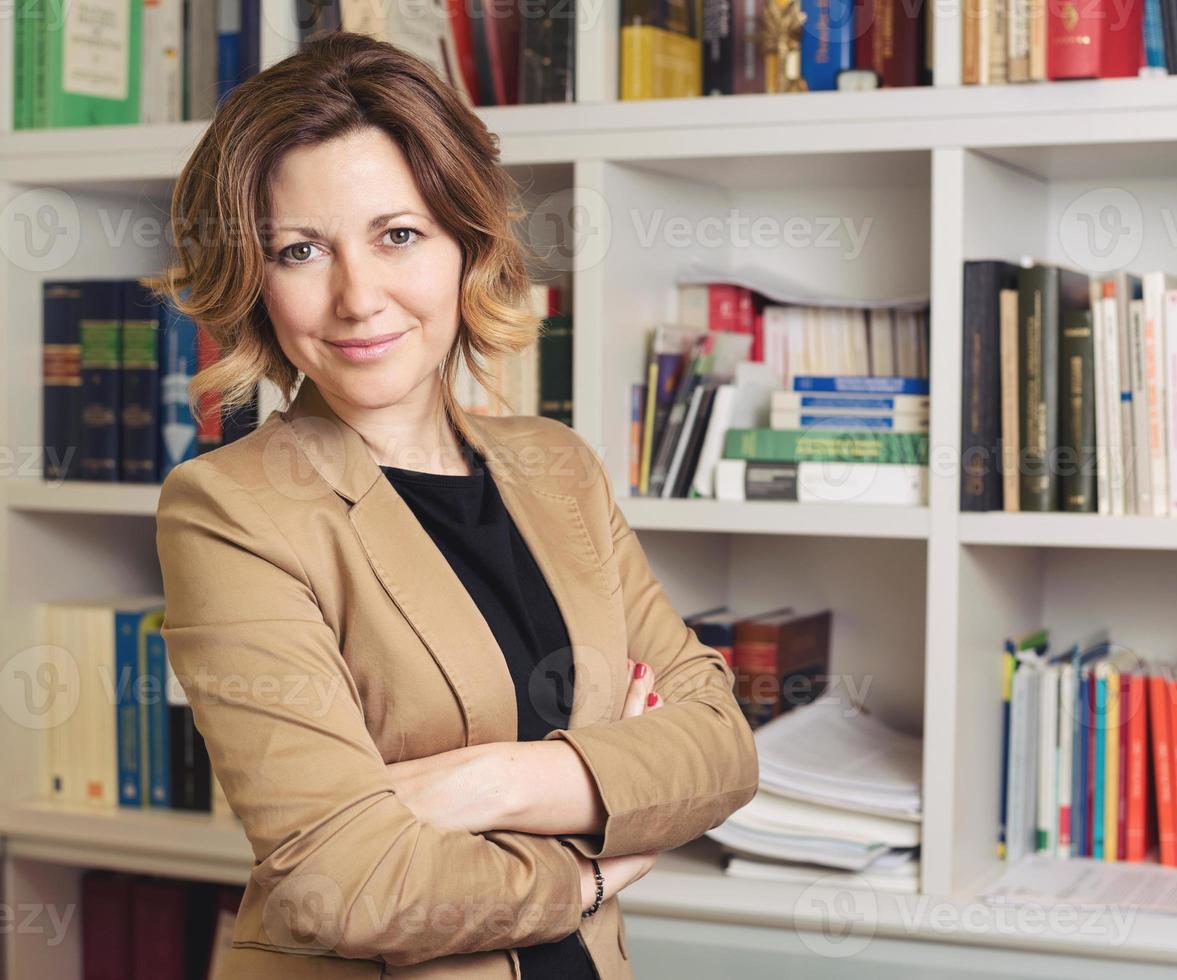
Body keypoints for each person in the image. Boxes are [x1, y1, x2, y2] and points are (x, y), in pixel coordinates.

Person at [149, 31, 759, 980]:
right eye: (302, 250)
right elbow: (338, 882)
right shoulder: (231, 508)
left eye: (399, 235)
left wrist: (492, 780)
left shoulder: (560, 468)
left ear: (465, 245)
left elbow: (720, 747)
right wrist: (592, 864)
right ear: (255, 284)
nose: (358, 298)